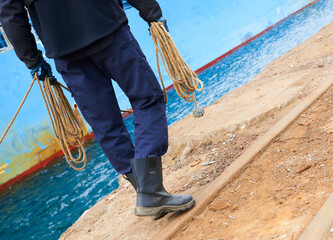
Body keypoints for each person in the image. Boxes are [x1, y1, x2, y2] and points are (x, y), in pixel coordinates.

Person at [0, 0, 195, 219]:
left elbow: (10, 13)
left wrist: (32, 60)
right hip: (108, 31)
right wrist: (152, 13)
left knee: (105, 125)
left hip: (66, 53)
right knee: (148, 99)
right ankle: (150, 192)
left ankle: (147, 193)